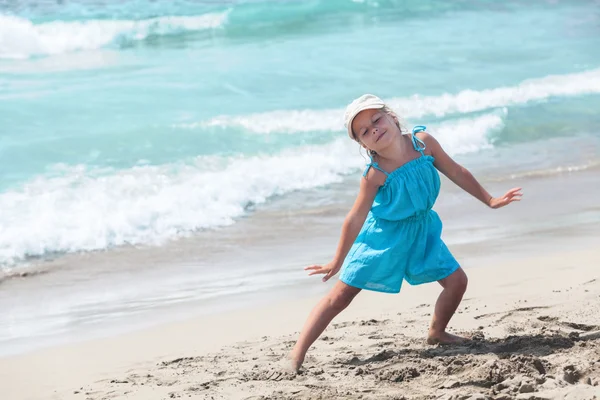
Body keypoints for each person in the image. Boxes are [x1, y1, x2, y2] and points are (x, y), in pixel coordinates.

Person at [288, 94, 522, 372]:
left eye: (377, 119)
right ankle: (297, 355)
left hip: (422, 231)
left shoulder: (424, 144)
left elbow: (457, 171)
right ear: (362, 144)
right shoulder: (375, 173)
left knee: (457, 281)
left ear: (393, 118)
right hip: (382, 238)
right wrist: (337, 260)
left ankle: (437, 332)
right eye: (364, 131)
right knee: (340, 296)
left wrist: (490, 200)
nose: (374, 129)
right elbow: (355, 217)